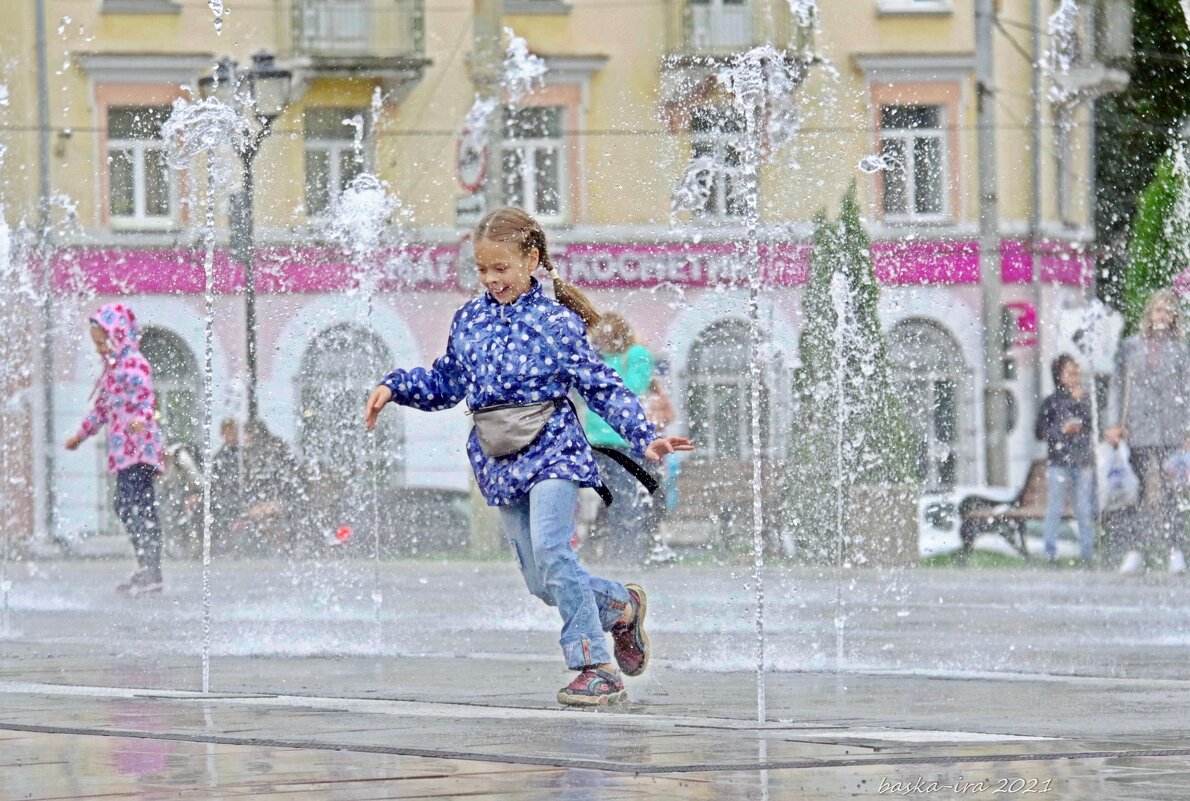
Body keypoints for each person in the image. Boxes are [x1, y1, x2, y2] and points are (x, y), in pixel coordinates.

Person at [364, 206, 693, 707]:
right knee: (543, 582)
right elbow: (446, 383)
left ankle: (595, 667)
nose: (491, 279)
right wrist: (395, 386)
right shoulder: (469, 320)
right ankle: (623, 608)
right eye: (482, 269)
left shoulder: (556, 323)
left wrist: (643, 436)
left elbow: (600, 385)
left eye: (501, 268)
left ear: (531, 260)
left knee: (555, 552)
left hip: (553, 448)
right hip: (499, 459)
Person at [64, 303, 165, 595]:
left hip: (140, 451)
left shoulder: (134, 363)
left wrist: (141, 421)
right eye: (96, 343)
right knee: (132, 506)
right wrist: (80, 436)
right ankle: (149, 569)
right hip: (124, 455)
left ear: (117, 334)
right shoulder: (113, 370)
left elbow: (148, 401)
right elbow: (101, 411)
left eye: (102, 341)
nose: (99, 348)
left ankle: (151, 570)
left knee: (131, 505)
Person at [1106, 289, 1190, 574]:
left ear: (1175, 317)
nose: (1162, 316)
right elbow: (1117, 386)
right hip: (1137, 429)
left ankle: (1173, 550)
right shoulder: (1131, 347)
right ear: (1149, 314)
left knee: (1169, 492)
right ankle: (1135, 550)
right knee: (1136, 490)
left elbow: (1187, 392)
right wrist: (1113, 423)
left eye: (1168, 311)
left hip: (1171, 429)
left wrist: (1188, 430)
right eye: (1158, 310)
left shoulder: (1181, 351)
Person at [584, 312, 657, 562]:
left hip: (622, 441)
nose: (600, 340)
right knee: (610, 497)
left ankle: (627, 552)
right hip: (597, 440)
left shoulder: (635, 355)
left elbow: (634, 387)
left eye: (605, 335)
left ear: (617, 334)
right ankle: (613, 551)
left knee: (624, 497)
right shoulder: (601, 358)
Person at [1035, 354, 1096, 568]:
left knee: (1083, 509)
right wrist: (1062, 432)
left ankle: (1088, 554)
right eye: (1070, 373)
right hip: (1059, 462)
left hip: (1082, 460)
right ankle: (1050, 553)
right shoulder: (1051, 402)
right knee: (1055, 507)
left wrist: (1080, 404)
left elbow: (1092, 424)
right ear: (1059, 377)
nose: (1075, 378)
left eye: (1076, 373)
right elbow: (1040, 431)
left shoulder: (1085, 399)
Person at [210, 418, 244, 534]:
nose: (230, 434)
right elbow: (214, 483)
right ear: (222, 433)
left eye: (232, 431)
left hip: (240, 497)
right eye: (227, 431)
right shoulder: (218, 457)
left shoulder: (243, 453)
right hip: (225, 498)